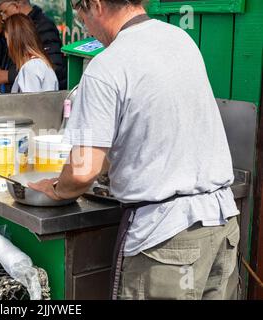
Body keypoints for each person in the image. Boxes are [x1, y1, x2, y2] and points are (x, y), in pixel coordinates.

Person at [29, 0, 240, 300]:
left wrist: (57, 189)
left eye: (80, 13)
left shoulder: (107, 65)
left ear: (96, 5)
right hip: (221, 226)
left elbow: (83, 169)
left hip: (167, 241)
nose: (84, 24)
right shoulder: (180, 39)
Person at [0, 0, 67, 90]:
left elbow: (55, 67)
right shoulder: (31, 66)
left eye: (4, 12)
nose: (3, 18)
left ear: (16, 6)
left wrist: (7, 75)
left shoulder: (32, 67)